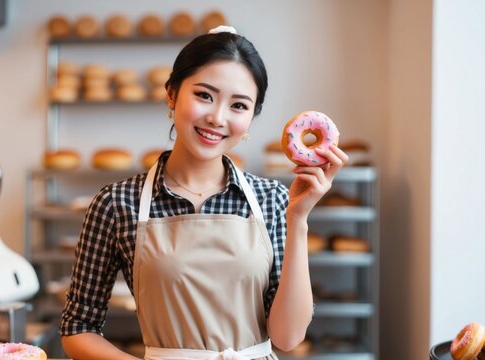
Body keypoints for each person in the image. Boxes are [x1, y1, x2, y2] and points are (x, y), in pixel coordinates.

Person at [60, 25, 348, 360]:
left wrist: (298, 219)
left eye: (238, 106)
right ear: (171, 94)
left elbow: (287, 337)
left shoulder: (273, 199)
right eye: (204, 95)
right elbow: (77, 327)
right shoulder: (116, 203)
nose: (217, 118)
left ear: (251, 118)